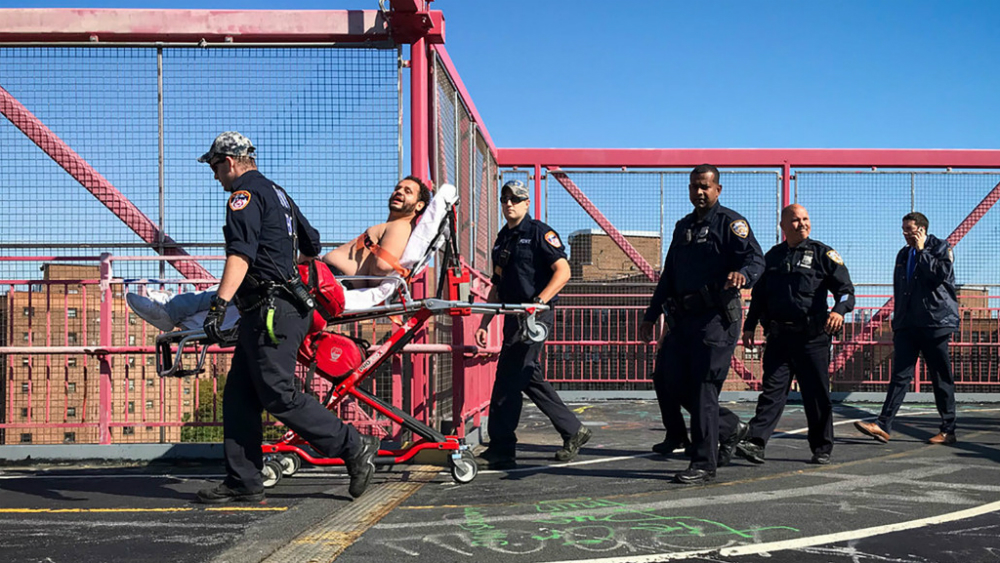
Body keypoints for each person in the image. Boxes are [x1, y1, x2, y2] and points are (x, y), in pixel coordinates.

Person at [192, 131, 379, 504]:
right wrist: (282, 269)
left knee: (278, 393)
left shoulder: (242, 196)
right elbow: (312, 244)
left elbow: (240, 255)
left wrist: (219, 304)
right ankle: (243, 480)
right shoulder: (278, 192)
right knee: (240, 396)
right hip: (279, 307)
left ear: (229, 162)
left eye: (214, 166)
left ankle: (353, 445)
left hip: (271, 312)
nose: (214, 175)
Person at [127, 176, 431, 331]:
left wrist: (346, 274)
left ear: (418, 206)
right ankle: (177, 309)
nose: (398, 192)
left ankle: (172, 309)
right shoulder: (393, 225)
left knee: (247, 284)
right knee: (244, 286)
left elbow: (379, 267)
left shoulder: (399, 228)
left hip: (330, 282)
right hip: (324, 276)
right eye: (397, 187)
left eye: (407, 191)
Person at [639, 164, 764, 485]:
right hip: (683, 319)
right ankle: (730, 427)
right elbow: (668, 276)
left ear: (717, 190)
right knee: (667, 380)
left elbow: (755, 259)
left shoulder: (730, 224)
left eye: (705, 186)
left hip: (716, 319)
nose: (699, 192)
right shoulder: (683, 227)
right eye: (695, 186)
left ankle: (704, 464)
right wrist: (651, 315)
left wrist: (743, 276)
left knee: (703, 388)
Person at [473, 180, 592, 470]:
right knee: (528, 376)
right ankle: (574, 430)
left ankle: (502, 447)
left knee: (509, 376)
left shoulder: (539, 232)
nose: (509, 203)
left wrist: (538, 302)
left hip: (535, 317)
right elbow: (496, 285)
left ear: (527, 203)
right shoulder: (502, 239)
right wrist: (485, 320)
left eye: (516, 199)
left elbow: (563, 272)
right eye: (505, 199)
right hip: (513, 318)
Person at [734, 204, 855, 466]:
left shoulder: (823, 254)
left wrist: (839, 311)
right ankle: (755, 442)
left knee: (816, 394)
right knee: (772, 391)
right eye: (796, 220)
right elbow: (759, 297)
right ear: (783, 226)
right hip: (778, 338)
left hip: (812, 338)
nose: (802, 224)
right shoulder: (772, 257)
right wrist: (748, 326)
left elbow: (846, 290)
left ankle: (822, 447)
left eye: (805, 219)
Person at [855, 212, 958, 445]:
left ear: (922, 229)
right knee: (900, 375)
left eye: (909, 229)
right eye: (903, 229)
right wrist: (898, 320)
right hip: (907, 324)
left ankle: (948, 429)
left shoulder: (941, 247)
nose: (905, 234)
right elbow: (901, 288)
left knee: (940, 377)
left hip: (935, 323)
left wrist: (922, 251)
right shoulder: (903, 254)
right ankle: (883, 425)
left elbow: (940, 275)